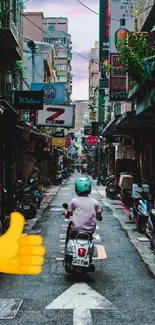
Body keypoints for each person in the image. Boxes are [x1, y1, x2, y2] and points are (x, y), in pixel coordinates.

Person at [65, 177, 102, 244]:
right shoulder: (95, 202)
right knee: (90, 239)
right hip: (90, 230)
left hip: (76, 230)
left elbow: (68, 215)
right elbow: (100, 218)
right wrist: (97, 216)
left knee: (71, 233)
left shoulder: (73, 201)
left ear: (77, 189)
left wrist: (66, 214)